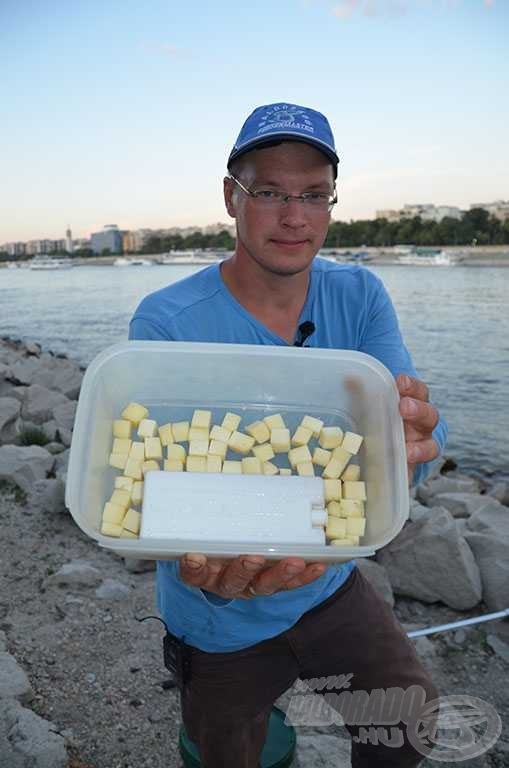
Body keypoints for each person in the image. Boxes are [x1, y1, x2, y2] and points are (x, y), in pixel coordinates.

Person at [129, 102, 448, 767]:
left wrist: (413, 446)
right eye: (270, 191)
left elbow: (397, 461)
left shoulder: (358, 294)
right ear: (231, 197)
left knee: (408, 717)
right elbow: (150, 484)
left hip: (329, 583)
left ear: (330, 204)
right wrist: (205, 569)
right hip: (217, 606)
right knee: (230, 753)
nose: (293, 216)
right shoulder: (165, 323)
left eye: (312, 195)